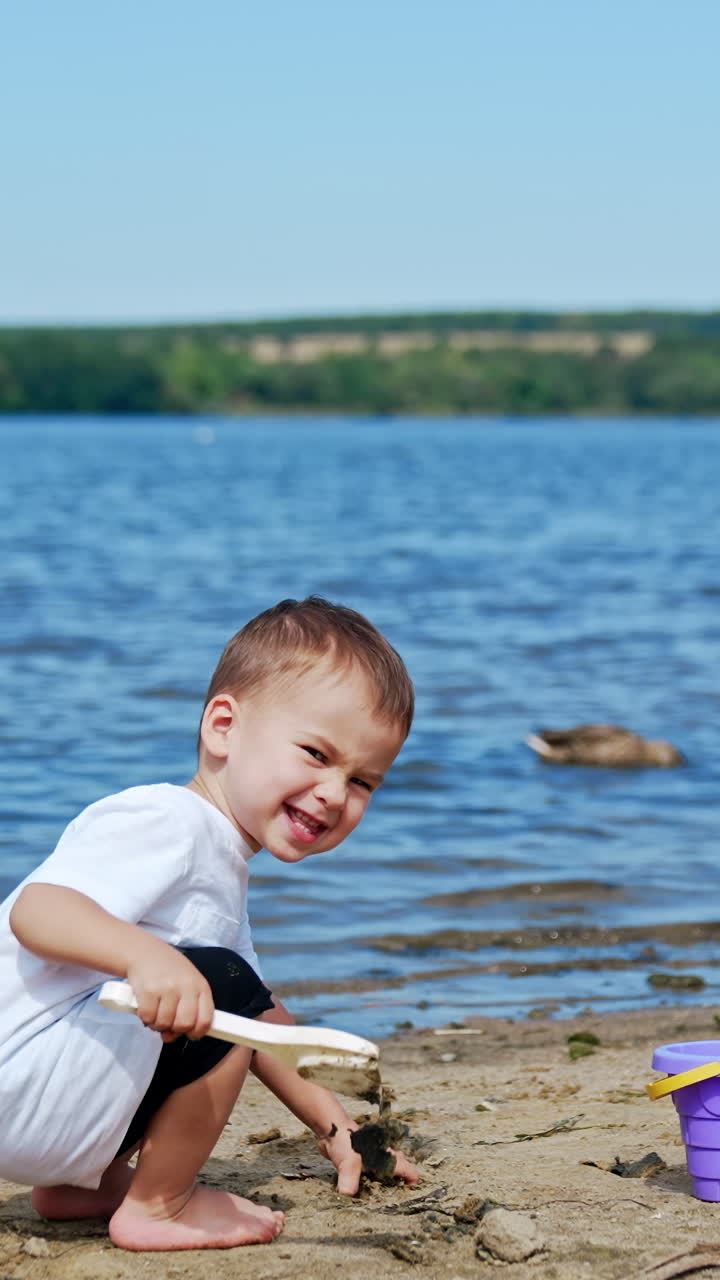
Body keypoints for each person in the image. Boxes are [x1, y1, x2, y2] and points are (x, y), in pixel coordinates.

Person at [0, 597, 419, 1252]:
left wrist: (337, 1128)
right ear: (224, 726)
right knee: (209, 982)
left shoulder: (219, 866)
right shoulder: (165, 820)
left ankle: (83, 1186)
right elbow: (37, 910)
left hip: (38, 1106)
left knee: (217, 989)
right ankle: (158, 1206)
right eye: (315, 752)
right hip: (20, 1078)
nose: (336, 793)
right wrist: (146, 957)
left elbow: (259, 1023)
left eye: (363, 780)